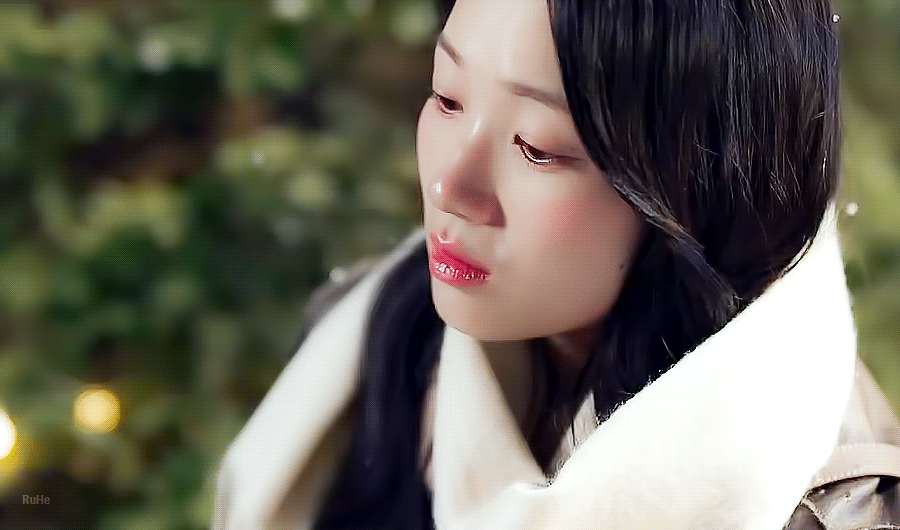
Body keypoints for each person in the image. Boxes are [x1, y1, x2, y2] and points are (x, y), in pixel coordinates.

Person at [212, 0, 900, 528]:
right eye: (447, 97)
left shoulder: (834, 502)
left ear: (701, 185)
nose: (450, 184)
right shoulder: (374, 337)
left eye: (537, 147)